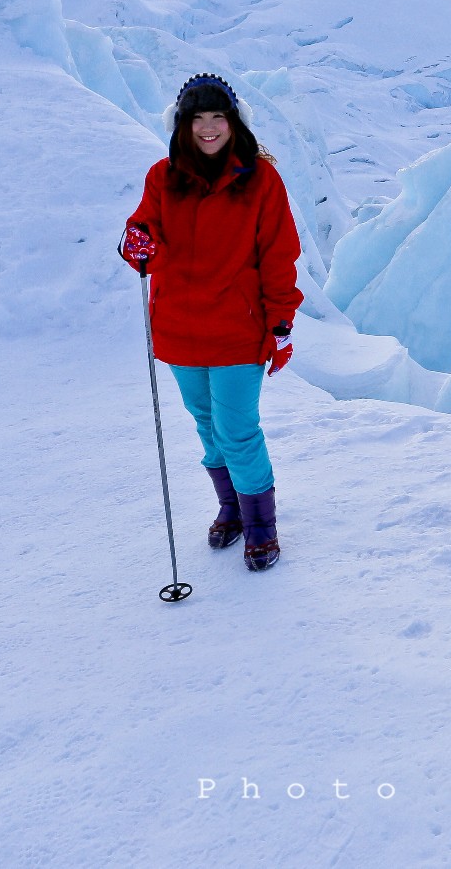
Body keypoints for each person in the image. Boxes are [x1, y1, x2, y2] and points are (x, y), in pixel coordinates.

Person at [119, 73, 301, 572]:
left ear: (233, 121)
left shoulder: (261, 181)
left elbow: (279, 256)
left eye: (216, 116)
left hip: (237, 330)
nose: (207, 127)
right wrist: (135, 241)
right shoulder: (163, 177)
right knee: (206, 425)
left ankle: (261, 525)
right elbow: (144, 234)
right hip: (179, 330)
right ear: (182, 125)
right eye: (196, 118)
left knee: (237, 430)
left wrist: (280, 323)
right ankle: (233, 508)